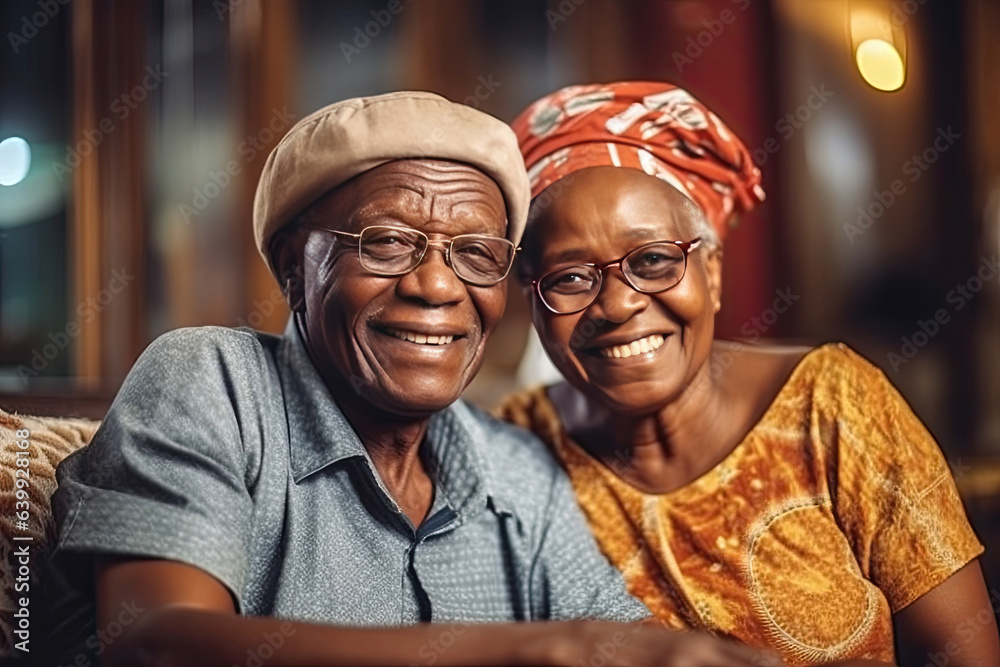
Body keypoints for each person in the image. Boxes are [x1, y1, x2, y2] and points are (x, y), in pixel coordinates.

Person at [40, 91, 775, 667]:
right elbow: (158, 643)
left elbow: (626, 644)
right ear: (296, 266)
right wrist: (548, 647)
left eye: (476, 253)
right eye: (388, 241)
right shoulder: (212, 384)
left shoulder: (518, 470)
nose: (436, 285)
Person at [498, 81, 1000, 667]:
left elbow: (963, 653)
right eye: (569, 277)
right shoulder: (514, 449)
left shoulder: (830, 402)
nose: (616, 304)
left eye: (654, 260)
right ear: (532, 303)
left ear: (711, 273)